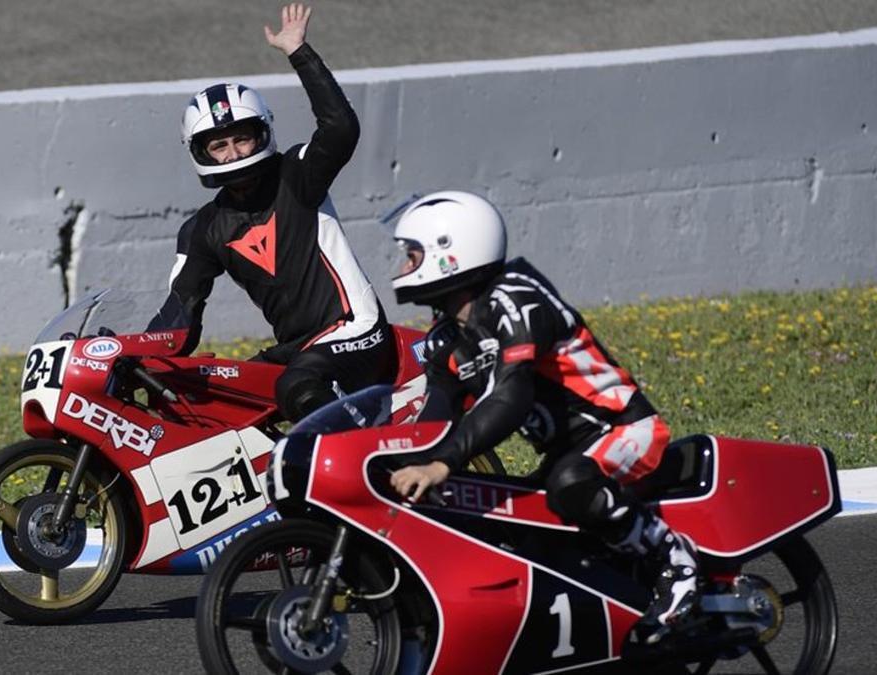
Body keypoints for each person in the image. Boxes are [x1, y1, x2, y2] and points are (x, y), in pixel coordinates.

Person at [386, 191, 699, 645]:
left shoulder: (518, 297)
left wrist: (441, 464)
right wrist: (390, 463)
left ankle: (673, 558)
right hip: (566, 452)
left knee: (571, 483)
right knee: (521, 532)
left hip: (624, 429)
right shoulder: (445, 339)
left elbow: (511, 396)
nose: (402, 267)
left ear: (449, 254)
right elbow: (434, 419)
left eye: (412, 255)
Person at [152, 3, 395, 421]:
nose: (233, 153)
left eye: (241, 138)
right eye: (219, 145)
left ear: (262, 133)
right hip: (297, 350)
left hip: (356, 331)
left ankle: (349, 471)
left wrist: (299, 53)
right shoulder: (203, 230)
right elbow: (181, 318)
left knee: (298, 388)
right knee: (204, 399)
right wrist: (128, 354)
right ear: (200, 152)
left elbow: (340, 129)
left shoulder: (297, 175)